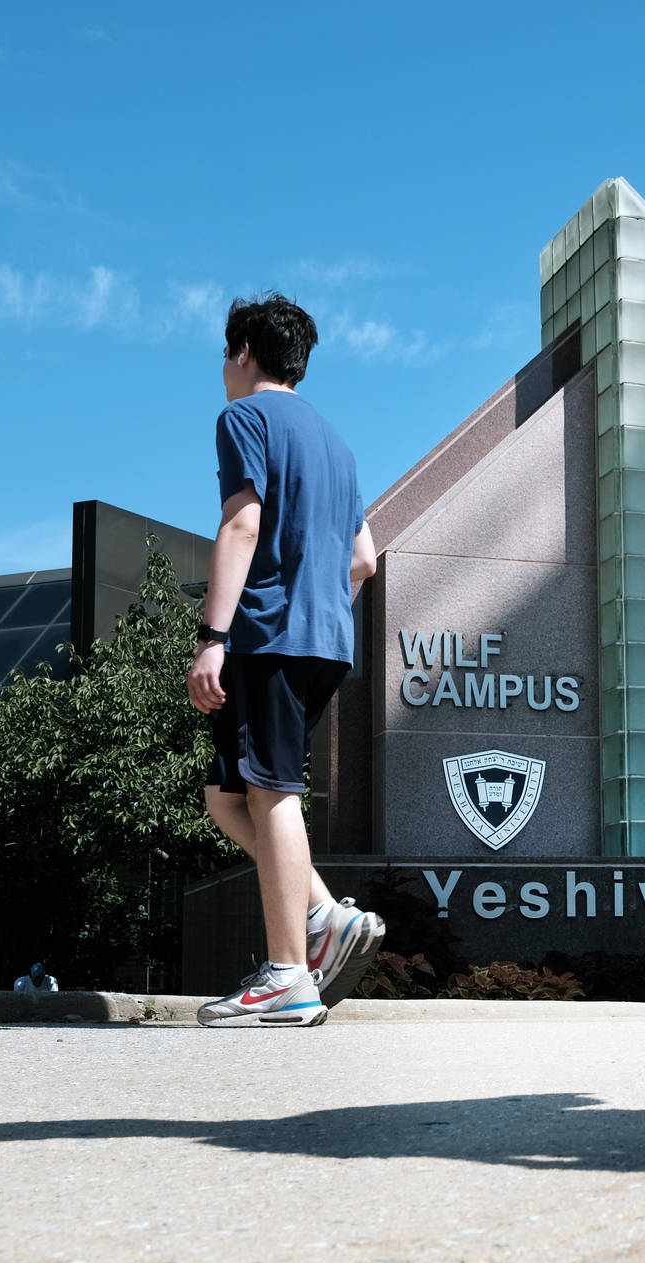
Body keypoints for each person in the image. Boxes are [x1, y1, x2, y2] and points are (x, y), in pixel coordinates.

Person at [189, 293, 387, 1028]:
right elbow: (363, 559)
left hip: (268, 635)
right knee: (226, 793)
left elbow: (242, 522)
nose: (223, 368)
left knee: (270, 790)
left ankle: (287, 976)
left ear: (244, 352)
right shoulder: (336, 443)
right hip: (328, 639)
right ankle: (325, 916)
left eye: (225, 354)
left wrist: (214, 638)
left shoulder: (243, 418)